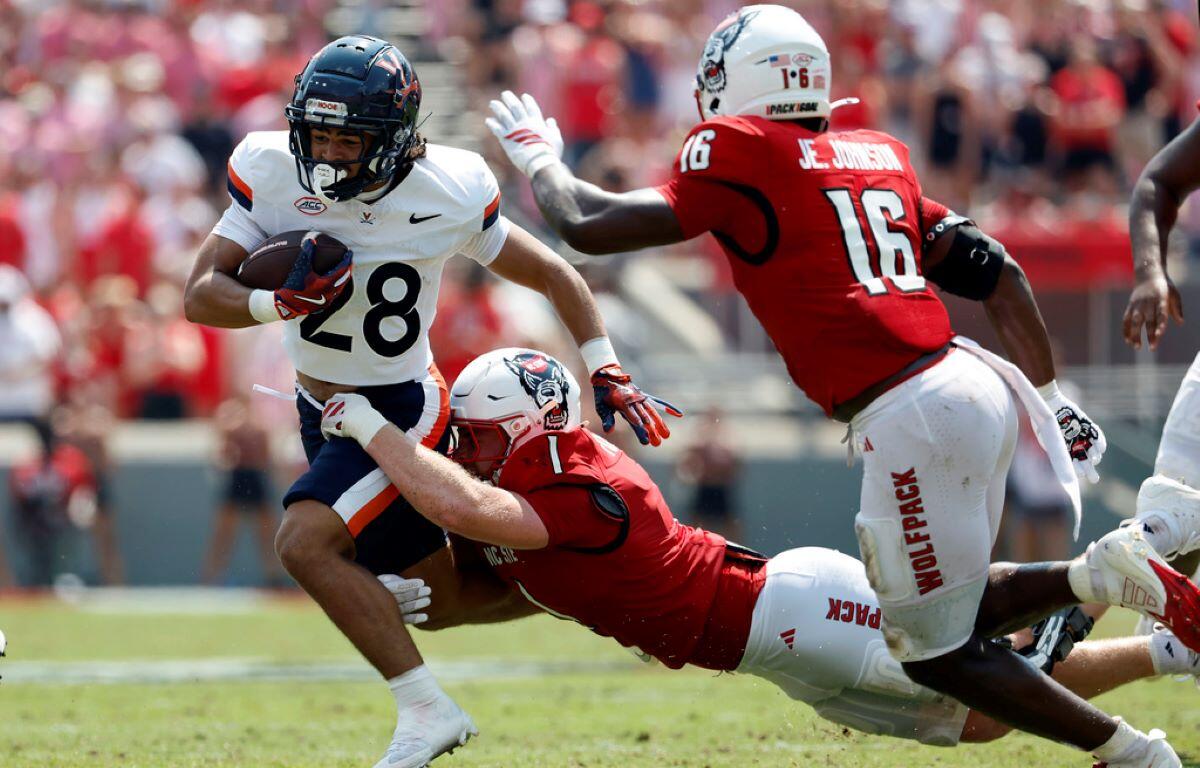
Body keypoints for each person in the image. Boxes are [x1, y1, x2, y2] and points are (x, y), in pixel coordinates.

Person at [479, 5, 1195, 762]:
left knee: (933, 653)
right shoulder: (876, 153)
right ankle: (1090, 575)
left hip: (909, 408)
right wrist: (1051, 402)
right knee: (952, 611)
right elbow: (1002, 275)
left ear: (740, 84)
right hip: (974, 384)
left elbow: (589, 223)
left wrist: (538, 161)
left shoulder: (740, 148)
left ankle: (1131, 752)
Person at [317, 347, 1200, 764]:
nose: (463, 448)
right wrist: (429, 599)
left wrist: (369, 426)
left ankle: (1102, 609)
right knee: (983, 713)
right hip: (770, 649)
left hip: (790, 614)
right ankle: (1168, 649)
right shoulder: (528, 479)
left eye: (473, 434)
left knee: (969, 661)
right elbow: (548, 588)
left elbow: (454, 500)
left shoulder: (559, 469)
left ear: (520, 425)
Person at [183, 35, 679, 768]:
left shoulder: (447, 186)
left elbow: (555, 275)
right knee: (439, 604)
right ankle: (606, 593)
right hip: (318, 408)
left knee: (303, 542)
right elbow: (200, 295)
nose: (327, 154)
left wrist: (607, 367)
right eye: (317, 134)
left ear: (392, 139)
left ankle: (425, 711)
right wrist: (269, 301)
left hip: (398, 406)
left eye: (348, 139)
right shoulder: (269, 167)